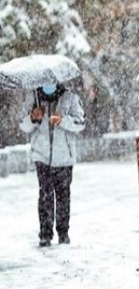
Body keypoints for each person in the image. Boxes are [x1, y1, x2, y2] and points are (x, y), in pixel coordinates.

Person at [19, 83, 85, 247]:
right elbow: (23, 124)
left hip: (64, 157)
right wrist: (34, 117)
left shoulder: (70, 98)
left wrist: (63, 120)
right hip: (41, 156)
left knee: (63, 196)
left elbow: (80, 123)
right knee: (45, 196)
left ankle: (63, 233)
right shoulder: (33, 97)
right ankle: (45, 234)